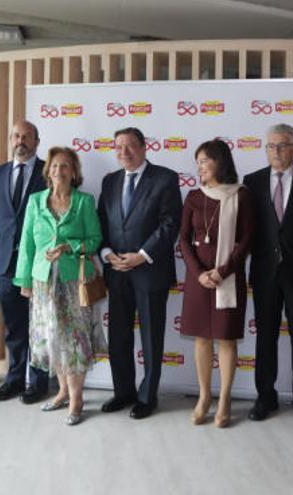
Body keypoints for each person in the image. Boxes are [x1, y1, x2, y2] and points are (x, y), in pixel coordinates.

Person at [13, 147, 106, 426]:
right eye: (54, 166)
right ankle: (63, 392)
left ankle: (77, 399)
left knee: (74, 342)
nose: (59, 171)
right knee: (52, 338)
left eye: (65, 166)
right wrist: (25, 280)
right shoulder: (35, 201)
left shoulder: (84, 202)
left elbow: (95, 240)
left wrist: (71, 246)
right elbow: (27, 245)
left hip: (74, 281)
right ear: (48, 170)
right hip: (43, 283)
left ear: (74, 172)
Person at [96, 127, 182, 419]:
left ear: (145, 147)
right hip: (117, 271)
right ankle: (123, 392)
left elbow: (170, 223)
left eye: (130, 146)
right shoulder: (109, 182)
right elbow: (102, 223)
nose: (124, 152)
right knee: (118, 336)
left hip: (149, 271)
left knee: (151, 337)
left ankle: (147, 397)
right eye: (118, 146)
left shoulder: (165, 178)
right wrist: (107, 254)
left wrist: (142, 256)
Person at [179, 140, 253, 428]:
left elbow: (246, 240)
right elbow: (184, 239)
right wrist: (199, 272)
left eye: (204, 161)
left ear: (220, 162)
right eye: (197, 161)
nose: (199, 167)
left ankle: (224, 399)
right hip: (198, 279)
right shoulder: (193, 197)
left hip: (229, 279)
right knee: (201, 338)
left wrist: (222, 272)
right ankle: (204, 396)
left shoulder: (242, 196)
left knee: (226, 338)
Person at [242, 123, 293, 422]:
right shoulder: (252, 182)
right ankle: (264, 397)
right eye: (271, 146)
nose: (277, 151)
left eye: (282, 145)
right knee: (265, 337)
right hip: (264, 272)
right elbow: (247, 230)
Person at [0, 120, 49, 403]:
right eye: (16, 136)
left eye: (27, 136)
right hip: (5, 264)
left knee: (41, 326)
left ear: (36, 141)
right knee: (15, 327)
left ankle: (39, 382)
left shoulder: (50, 172)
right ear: (10, 140)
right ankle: (15, 379)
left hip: (40, 264)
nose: (21, 141)